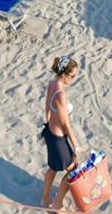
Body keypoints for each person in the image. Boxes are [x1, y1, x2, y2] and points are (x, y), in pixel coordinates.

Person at [41, 55, 82, 210]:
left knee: (52, 168)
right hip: (59, 138)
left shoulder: (52, 83)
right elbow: (66, 124)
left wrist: (47, 125)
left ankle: (45, 199)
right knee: (73, 171)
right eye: (73, 76)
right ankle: (57, 204)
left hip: (50, 133)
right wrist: (76, 146)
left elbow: (46, 106)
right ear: (64, 75)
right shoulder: (61, 94)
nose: (74, 78)